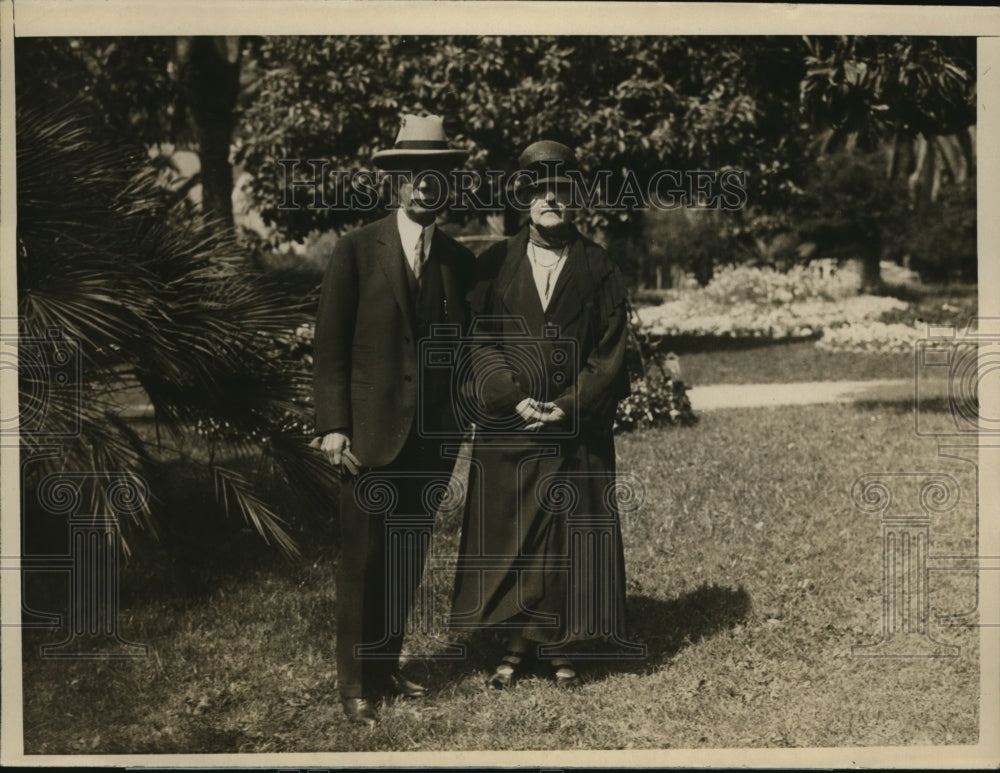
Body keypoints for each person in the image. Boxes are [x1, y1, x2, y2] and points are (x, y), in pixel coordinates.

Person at [449, 140, 632, 689]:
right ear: (524, 197)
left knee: (566, 535)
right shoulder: (494, 263)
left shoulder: (599, 266)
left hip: (575, 426)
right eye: (540, 189)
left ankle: (557, 643)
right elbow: (475, 340)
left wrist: (569, 406)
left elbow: (610, 350)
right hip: (510, 424)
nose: (551, 199)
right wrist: (511, 395)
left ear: (576, 199)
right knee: (511, 534)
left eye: (562, 189)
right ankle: (511, 639)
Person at [313, 114, 475, 727]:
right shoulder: (356, 251)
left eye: (436, 176)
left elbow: (468, 349)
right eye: (414, 176)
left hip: (431, 440)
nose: (425, 187)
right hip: (367, 437)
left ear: (446, 185)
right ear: (396, 183)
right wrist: (333, 425)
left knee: (406, 554)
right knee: (362, 557)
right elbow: (329, 347)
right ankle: (354, 682)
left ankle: (386, 665)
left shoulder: (459, 262)